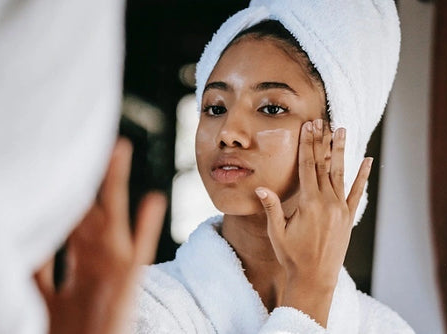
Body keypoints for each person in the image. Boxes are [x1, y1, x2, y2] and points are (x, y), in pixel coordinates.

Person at [132, 0, 415, 333]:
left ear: (338, 138)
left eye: (271, 109)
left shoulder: (384, 328)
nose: (228, 134)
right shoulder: (140, 309)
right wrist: (306, 302)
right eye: (215, 107)